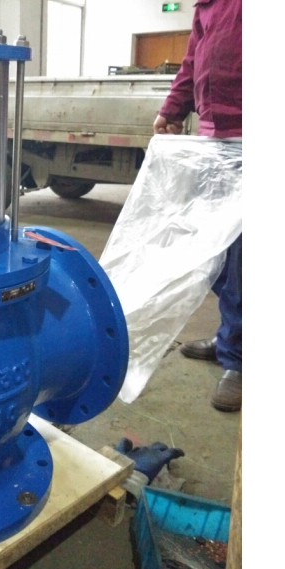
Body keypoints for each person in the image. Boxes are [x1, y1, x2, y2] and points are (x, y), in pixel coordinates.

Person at [153, 0, 242, 412]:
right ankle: (231, 338)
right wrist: (173, 109)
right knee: (215, 252)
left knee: (246, 262)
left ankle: (240, 360)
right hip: (216, 140)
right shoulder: (208, 4)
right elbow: (193, 61)